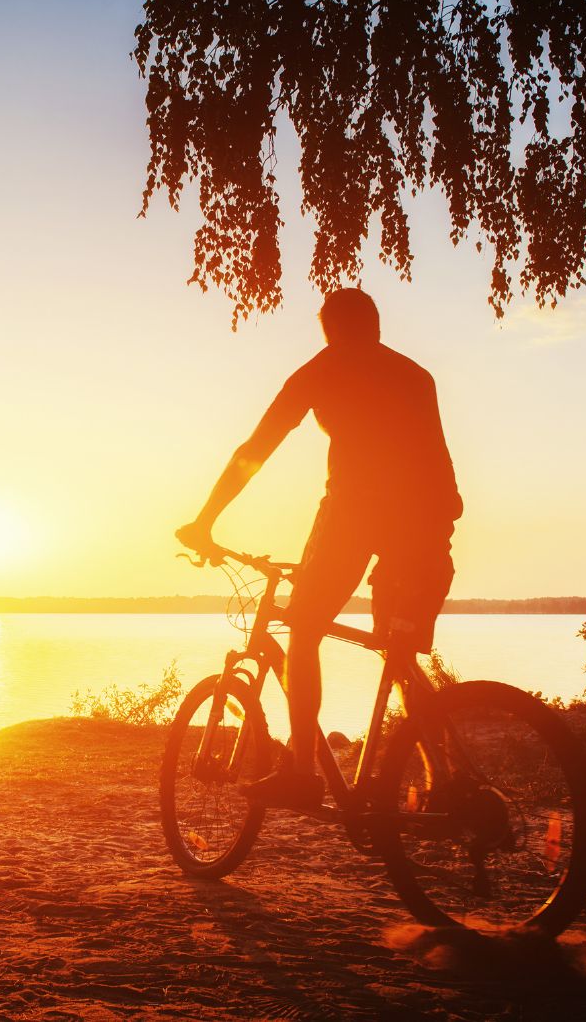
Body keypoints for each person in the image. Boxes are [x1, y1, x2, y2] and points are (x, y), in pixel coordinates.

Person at [177, 287, 463, 808]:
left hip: (356, 513)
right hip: (426, 524)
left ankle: (303, 774)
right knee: (397, 651)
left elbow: (255, 450)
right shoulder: (415, 375)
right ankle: (446, 779)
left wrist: (205, 520)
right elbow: (437, 461)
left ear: (328, 330)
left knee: (305, 628)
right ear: (375, 326)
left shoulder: (321, 370)